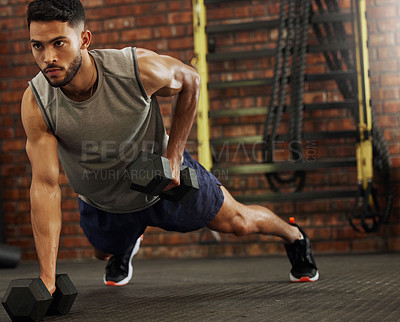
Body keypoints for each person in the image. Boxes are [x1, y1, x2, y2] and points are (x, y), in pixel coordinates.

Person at [22, 0, 319, 294]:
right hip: (104, 202)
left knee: (239, 222)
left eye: (59, 43)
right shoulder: (38, 102)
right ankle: (127, 244)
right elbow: (45, 186)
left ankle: (293, 235)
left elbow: (191, 79)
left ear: (84, 40)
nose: (48, 57)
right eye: (38, 46)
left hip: (164, 183)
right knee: (102, 252)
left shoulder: (134, 70)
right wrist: (47, 280)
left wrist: (174, 157)